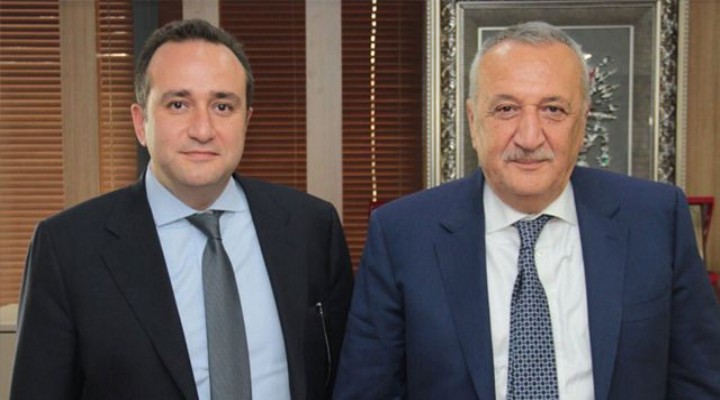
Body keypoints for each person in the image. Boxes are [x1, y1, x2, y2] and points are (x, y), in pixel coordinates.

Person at [333, 21, 720, 399]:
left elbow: (700, 381)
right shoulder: (402, 236)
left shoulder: (656, 220)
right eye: (506, 109)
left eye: (553, 109)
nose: (530, 137)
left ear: (582, 123)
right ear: (473, 120)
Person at [10, 19, 353, 400]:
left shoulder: (311, 228)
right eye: (178, 104)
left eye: (222, 106)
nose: (202, 129)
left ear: (246, 122)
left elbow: (348, 377)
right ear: (140, 122)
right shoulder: (67, 248)